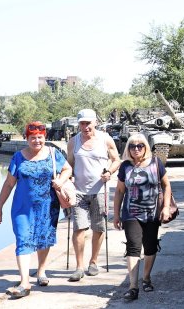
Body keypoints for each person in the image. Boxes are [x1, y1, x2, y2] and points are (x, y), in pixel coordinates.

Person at [0, 121, 73, 298]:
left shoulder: (53, 153)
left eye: (40, 137)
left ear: (44, 137)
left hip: (48, 206)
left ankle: (41, 271)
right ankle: (24, 282)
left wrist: (60, 181)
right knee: (23, 240)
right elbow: (8, 184)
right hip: (22, 208)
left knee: (43, 239)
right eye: (33, 138)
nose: (37, 141)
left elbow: (67, 169)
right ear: (27, 138)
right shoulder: (18, 157)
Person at [113, 133, 172, 301]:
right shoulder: (125, 166)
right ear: (128, 149)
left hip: (152, 212)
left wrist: (166, 207)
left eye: (140, 146)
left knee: (150, 246)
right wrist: (116, 215)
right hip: (131, 213)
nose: (136, 149)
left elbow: (166, 186)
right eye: (132, 146)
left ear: (146, 147)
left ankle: (146, 278)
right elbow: (119, 191)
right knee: (133, 246)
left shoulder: (156, 163)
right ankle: (133, 286)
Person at [66, 108, 121, 281]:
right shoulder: (73, 142)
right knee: (79, 228)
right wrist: (68, 177)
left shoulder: (106, 139)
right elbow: (69, 164)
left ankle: (94, 262)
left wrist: (109, 172)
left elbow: (116, 160)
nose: (85, 127)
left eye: (88, 123)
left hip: (100, 191)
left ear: (95, 122)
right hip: (78, 192)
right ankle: (79, 267)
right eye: (82, 123)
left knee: (98, 227)